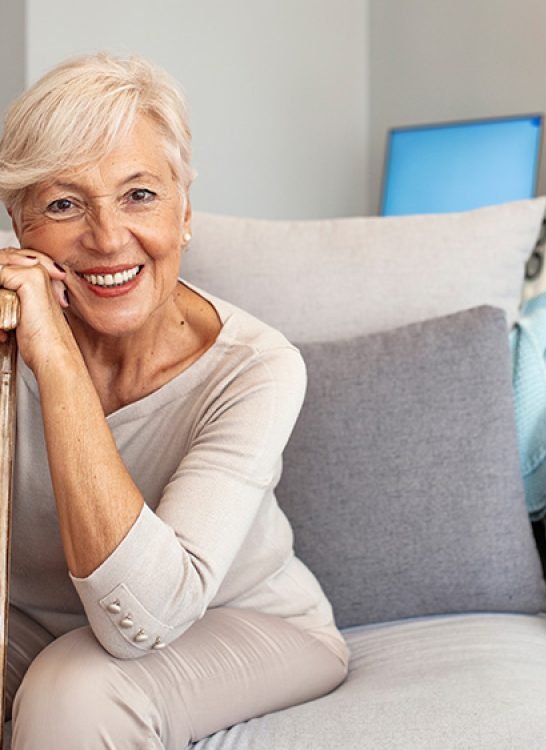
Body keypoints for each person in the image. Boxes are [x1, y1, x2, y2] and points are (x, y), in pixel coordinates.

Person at [0, 53, 349, 748]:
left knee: (74, 693)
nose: (106, 238)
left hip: (237, 620)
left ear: (185, 211)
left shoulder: (256, 367)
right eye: (65, 204)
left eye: (139, 195)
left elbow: (148, 619)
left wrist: (58, 361)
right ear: (20, 227)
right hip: (33, 624)